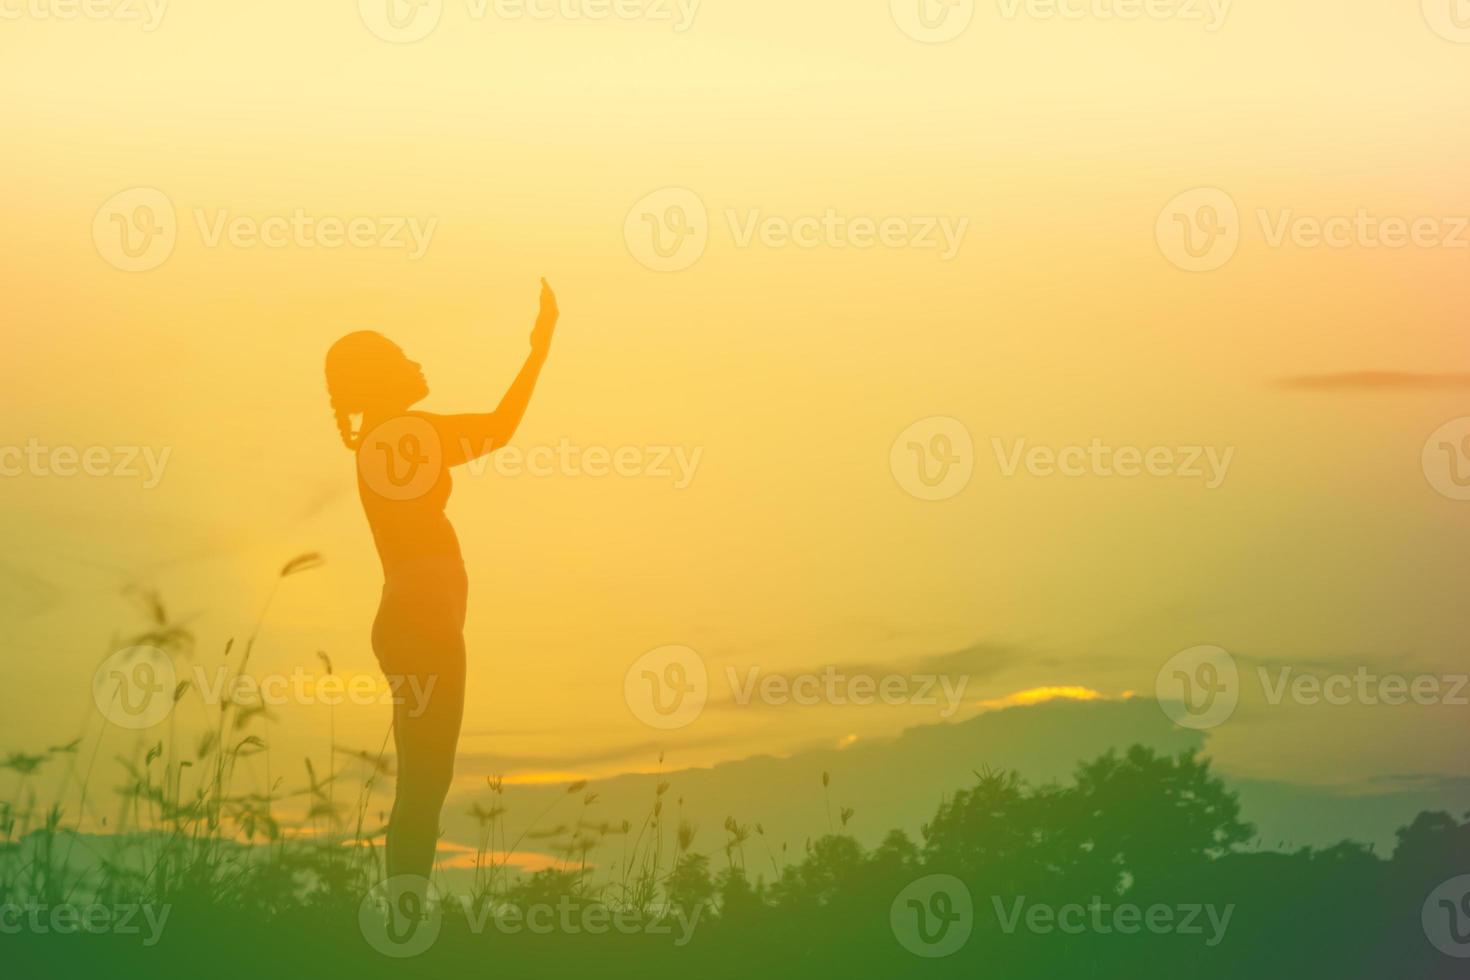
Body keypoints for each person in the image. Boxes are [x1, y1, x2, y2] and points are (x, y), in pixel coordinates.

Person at [324, 279, 559, 884]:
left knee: (423, 785)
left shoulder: (390, 437)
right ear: (379, 377)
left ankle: (403, 920)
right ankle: (405, 926)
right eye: (401, 358)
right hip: (423, 616)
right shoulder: (406, 435)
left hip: (413, 615)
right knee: (426, 786)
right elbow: (500, 429)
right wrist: (538, 351)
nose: (416, 363)